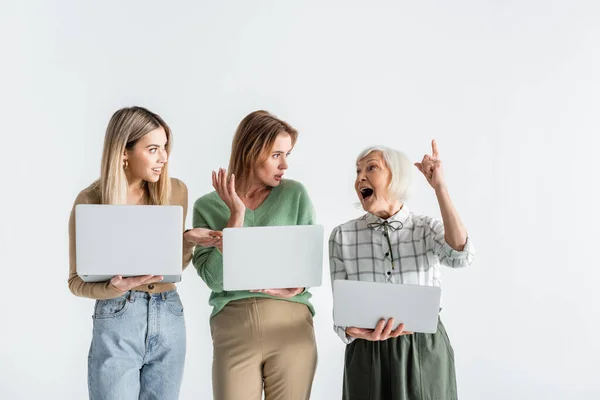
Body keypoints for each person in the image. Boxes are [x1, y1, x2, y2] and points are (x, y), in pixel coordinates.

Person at [68, 106, 208, 399]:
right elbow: (76, 282)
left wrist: (188, 241)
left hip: (169, 312)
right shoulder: (91, 201)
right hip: (119, 316)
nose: (164, 158)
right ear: (124, 152)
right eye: (153, 149)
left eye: (165, 148)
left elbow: (173, 267)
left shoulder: (175, 191)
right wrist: (111, 287)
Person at [329, 140, 475, 400]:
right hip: (366, 352)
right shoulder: (342, 236)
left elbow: (460, 256)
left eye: (371, 168)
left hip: (423, 347)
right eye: (357, 171)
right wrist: (351, 329)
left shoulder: (426, 228)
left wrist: (439, 188)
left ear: (395, 177)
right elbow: (342, 315)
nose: (360, 177)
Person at [190, 110, 318, 400]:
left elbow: (307, 267)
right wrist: (236, 215)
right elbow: (214, 279)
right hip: (233, 328)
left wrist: (298, 285)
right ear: (251, 151)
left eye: (287, 154)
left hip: (291, 326)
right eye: (276, 155)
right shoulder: (208, 206)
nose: (285, 164)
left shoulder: (295, 195)